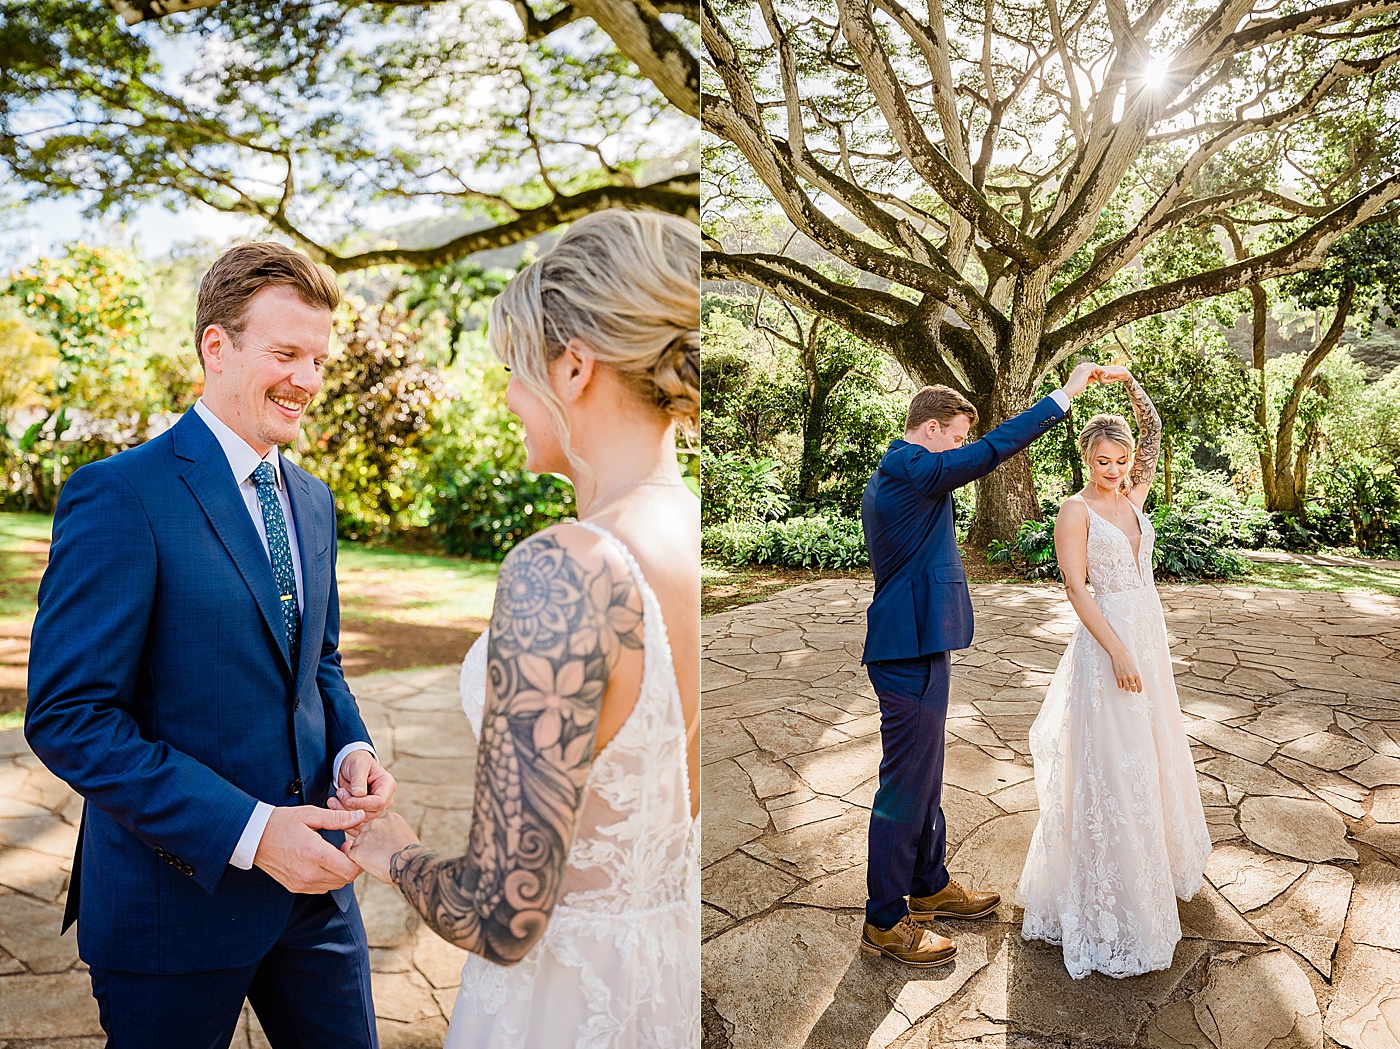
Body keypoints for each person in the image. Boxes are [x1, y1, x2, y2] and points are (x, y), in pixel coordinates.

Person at [342, 209, 701, 1048]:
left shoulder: (569, 566)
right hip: (657, 974)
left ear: (573, 365)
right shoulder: (687, 528)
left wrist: (390, 848)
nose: (507, 396)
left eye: (514, 368)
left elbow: (501, 914)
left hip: (565, 1005)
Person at [25, 243, 396, 1046]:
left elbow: (317, 662)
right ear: (216, 348)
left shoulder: (312, 498)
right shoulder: (120, 494)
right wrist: (256, 833)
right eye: (286, 353)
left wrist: (351, 747)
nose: (308, 379)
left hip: (316, 908)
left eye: (319, 359)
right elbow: (69, 716)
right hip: (173, 916)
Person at [858, 364, 1104, 966]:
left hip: (922, 645)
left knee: (926, 779)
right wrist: (1064, 396)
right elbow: (992, 452)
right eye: (959, 437)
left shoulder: (917, 475)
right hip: (905, 650)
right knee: (903, 786)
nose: (965, 448)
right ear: (933, 429)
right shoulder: (909, 468)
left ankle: (929, 884)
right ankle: (885, 919)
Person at [1016, 367, 1211, 979]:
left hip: (1147, 635)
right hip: (1107, 643)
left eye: (1122, 460)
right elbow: (1076, 587)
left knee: (1149, 754)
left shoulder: (1134, 497)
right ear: (1086, 458)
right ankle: (1109, 895)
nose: (1116, 469)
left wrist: (1128, 379)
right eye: (1104, 460)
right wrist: (1119, 652)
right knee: (1112, 764)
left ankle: (1152, 868)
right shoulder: (1074, 511)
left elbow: (1154, 429)